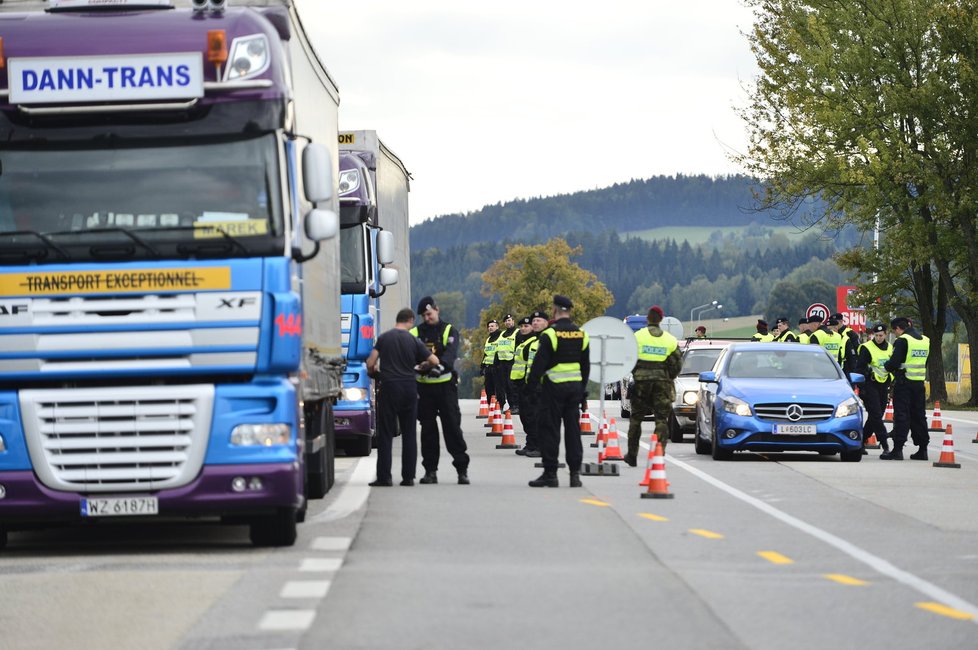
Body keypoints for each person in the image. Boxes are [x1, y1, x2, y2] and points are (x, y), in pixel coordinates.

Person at [366, 308, 439, 487]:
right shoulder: (413, 340)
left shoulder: (384, 338)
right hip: (409, 388)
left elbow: (370, 362)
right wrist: (422, 366)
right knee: (409, 434)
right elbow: (434, 361)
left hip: (389, 387)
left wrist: (374, 372)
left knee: (385, 434)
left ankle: (384, 477)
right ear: (411, 320)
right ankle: (408, 477)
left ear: (397, 320)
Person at [526, 295, 590, 488]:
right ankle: (575, 475)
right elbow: (585, 367)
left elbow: (538, 365)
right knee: (573, 432)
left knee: (550, 431)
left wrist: (530, 389)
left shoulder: (551, 335)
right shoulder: (581, 334)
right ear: (569, 311)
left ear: (554, 310)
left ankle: (551, 474)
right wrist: (582, 391)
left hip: (553, 389)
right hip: (574, 390)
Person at [410, 296, 470, 485]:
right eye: (424, 315)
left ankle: (462, 470)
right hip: (424, 388)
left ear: (437, 309)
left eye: (429, 313)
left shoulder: (448, 330)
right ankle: (430, 471)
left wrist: (437, 365)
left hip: (445, 387)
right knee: (428, 432)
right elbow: (410, 355)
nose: (427, 318)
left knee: (452, 428)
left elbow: (450, 355)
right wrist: (424, 365)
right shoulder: (415, 332)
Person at [625, 305, 683, 466]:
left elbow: (628, 357)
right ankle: (658, 453)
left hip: (641, 383)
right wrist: (668, 377)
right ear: (661, 320)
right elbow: (677, 364)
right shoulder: (670, 340)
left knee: (636, 419)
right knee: (661, 419)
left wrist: (637, 372)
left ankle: (632, 455)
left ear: (647, 319)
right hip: (662, 384)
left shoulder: (637, 336)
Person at [881, 316, 930, 461]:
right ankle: (923, 449)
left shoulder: (902, 341)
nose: (895, 334)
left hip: (904, 384)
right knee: (919, 416)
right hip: (919, 384)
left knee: (902, 416)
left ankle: (897, 450)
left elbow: (894, 363)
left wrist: (886, 365)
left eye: (894, 331)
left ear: (898, 328)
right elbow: (925, 362)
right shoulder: (925, 340)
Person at [856, 323, 893, 454]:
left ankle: (860, 442)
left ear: (886, 334)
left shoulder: (890, 348)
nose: (878, 338)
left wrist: (892, 384)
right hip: (870, 385)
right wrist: (862, 389)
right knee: (876, 416)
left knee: (875, 416)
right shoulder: (867, 348)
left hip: (884, 385)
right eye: (876, 335)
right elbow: (859, 369)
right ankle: (885, 445)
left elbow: (892, 367)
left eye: (881, 335)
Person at [512, 313, 545, 456]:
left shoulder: (535, 342)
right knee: (526, 417)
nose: (523, 329)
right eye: (521, 326)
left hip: (533, 386)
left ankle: (538, 446)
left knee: (534, 417)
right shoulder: (523, 342)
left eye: (527, 326)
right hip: (522, 385)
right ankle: (530, 444)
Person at [495, 313, 518, 412]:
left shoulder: (517, 332)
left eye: (510, 320)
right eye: (506, 321)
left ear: (513, 321)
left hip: (512, 362)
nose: (508, 322)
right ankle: (511, 405)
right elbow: (498, 348)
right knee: (505, 385)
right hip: (502, 363)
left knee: (512, 384)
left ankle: (516, 405)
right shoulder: (501, 334)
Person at [482, 319, 500, 403]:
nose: (490, 328)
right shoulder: (488, 339)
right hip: (488, 367)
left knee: (498, 387)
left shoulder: (500, 338)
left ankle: (499, 405)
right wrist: (482, 366)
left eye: (492, 326)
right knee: (488, 387)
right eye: (489, 326)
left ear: (497, 327)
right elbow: (486, 354)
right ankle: (491, 405)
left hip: (497, 367)